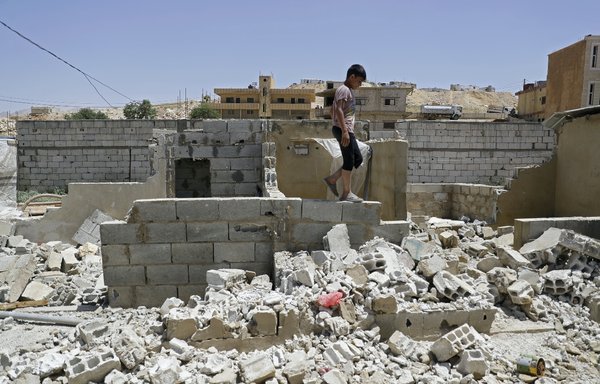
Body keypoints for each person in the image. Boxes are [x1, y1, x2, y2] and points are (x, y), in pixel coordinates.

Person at [323, 64, 366, 203]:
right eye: (359, 81)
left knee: (357, 159)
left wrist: (336, 123)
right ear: (351, 77)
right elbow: (339, 110)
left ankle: (333, 179)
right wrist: (344, 131)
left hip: (344, 129)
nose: (359, 85)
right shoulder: (344, 90)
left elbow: (333, 110)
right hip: (344, 130)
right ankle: (346, 193)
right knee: (349, 161)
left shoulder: (347, 91)